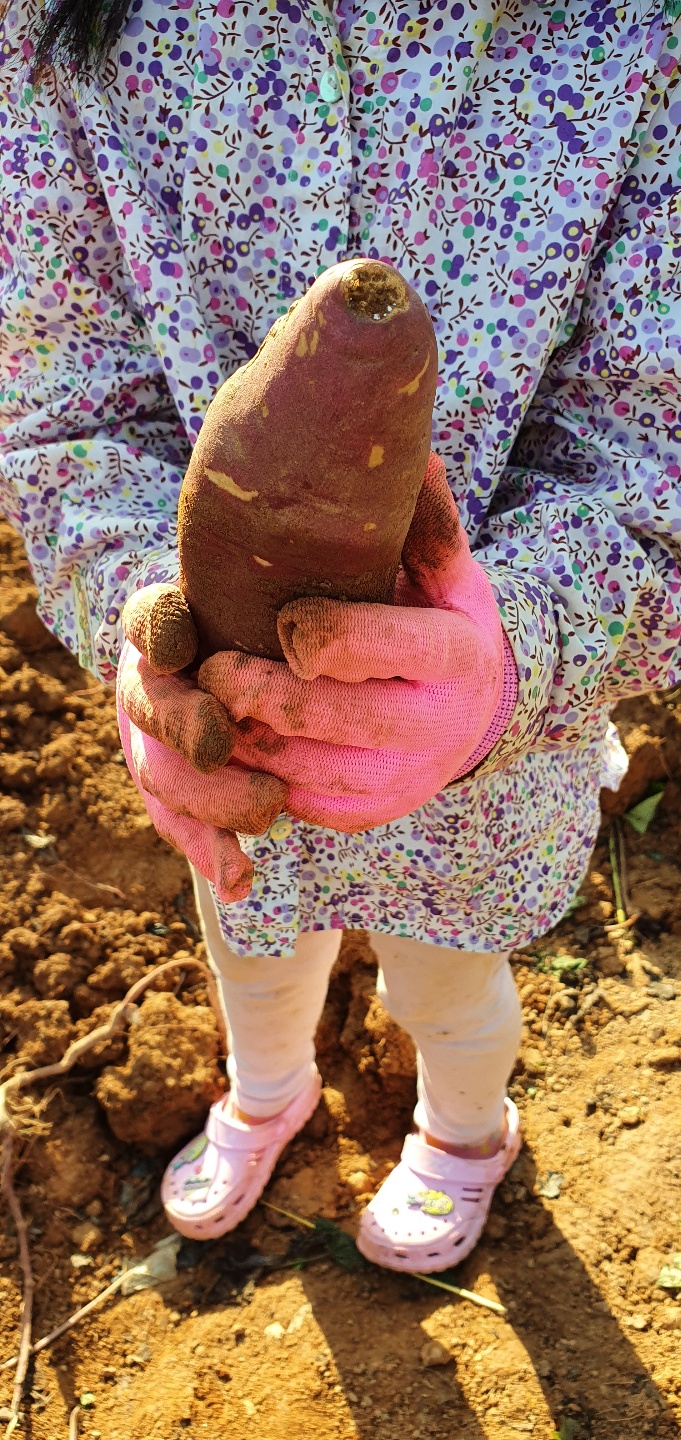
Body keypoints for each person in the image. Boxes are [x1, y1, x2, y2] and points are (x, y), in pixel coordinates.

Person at [1, 0, 679, 1272]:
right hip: (229, 731)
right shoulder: (61, 31)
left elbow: (655, 469)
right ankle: (269, 1093)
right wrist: (140, 611)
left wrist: (511, 660)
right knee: (252, 956)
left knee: (449, 990)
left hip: (486, 771)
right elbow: (66, 419)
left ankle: (465, 1131)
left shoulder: (641, 44)